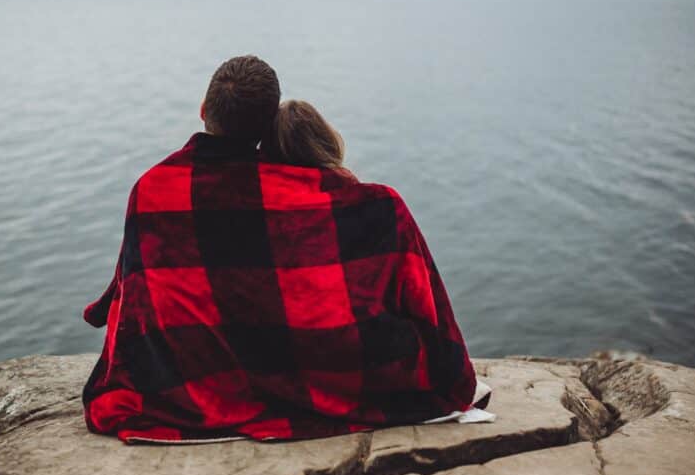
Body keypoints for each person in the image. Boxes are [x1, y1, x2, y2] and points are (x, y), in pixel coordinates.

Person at [81, 55, 483, 443]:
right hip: (343, 375)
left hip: (193, 383)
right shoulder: (372, 204)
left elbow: (134, 299)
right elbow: (425, 309)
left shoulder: (153, 189)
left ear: (203, 109)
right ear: (267, 124)